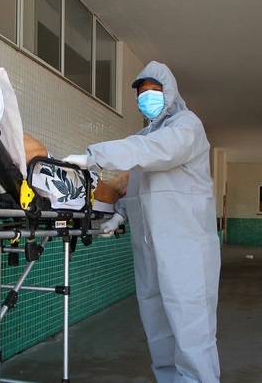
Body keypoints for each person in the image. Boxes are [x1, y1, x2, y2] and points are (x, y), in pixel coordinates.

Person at [62, 61, 221, 383]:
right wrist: (119, 214)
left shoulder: (185, 126)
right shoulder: (144, 137)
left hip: (187, 246)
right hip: (151, 245)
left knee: (191, 323)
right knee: (156, 318)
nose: (148, 98)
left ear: (170, 92)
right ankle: (168, 378)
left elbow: (159, 151)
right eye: (142, 94)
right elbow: (139, 190)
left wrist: (94, 156)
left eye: (154, 91)